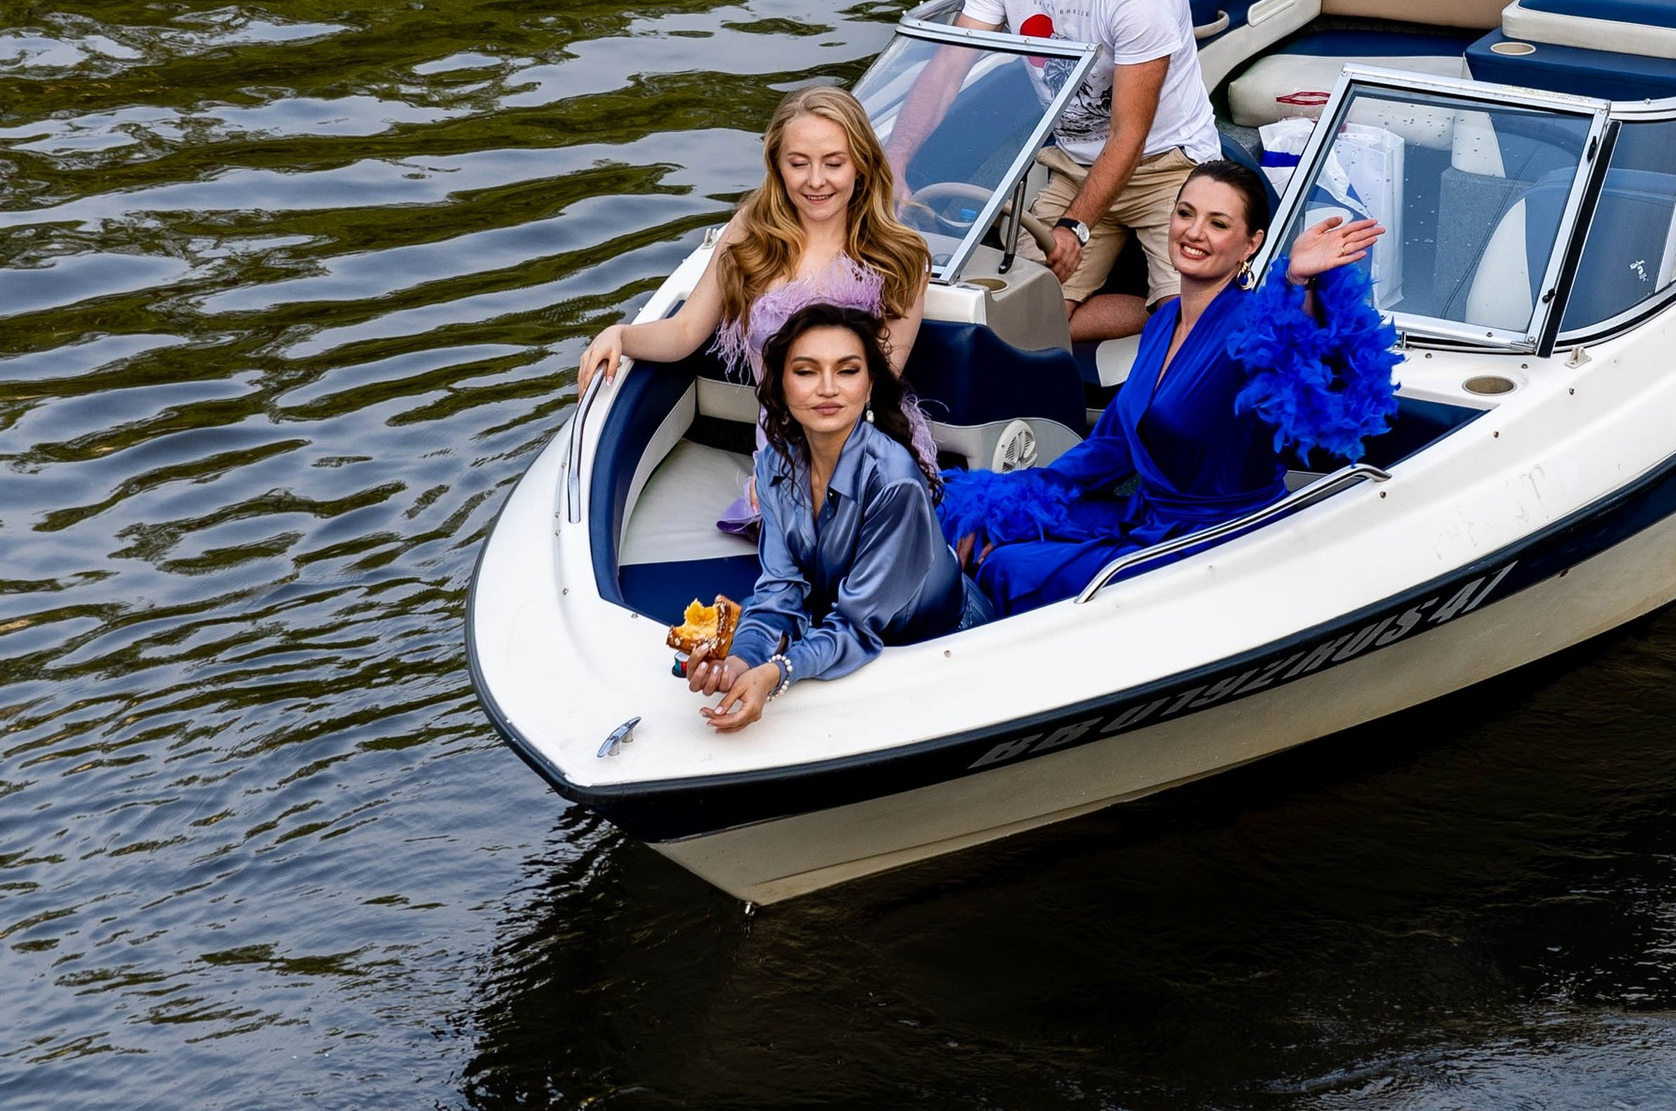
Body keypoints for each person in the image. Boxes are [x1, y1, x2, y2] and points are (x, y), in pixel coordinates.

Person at [941, 161, 1394, 616]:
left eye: (1218, 224)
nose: (1194, 232)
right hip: (1148, 519)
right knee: (987, 530)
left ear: (1251, 244)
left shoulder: (1255, 324)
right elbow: (1110, 448)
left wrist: (1298, 284)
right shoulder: (1161, 322)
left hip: (1217, 542)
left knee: (1007, 568)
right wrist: (1006, 501)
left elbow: (1304, 357)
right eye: (1185, 213)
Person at [574, 81, 934, 530]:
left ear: (861, 164)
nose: (816, 180)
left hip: (865, 442)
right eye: (798, 164)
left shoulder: (900, 255)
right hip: (779, 449)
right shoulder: (752, 233)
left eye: (834, 163)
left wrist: (816, 476)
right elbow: (686, 332)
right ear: (777, 166)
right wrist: (621, 335)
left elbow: (879, 383)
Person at [954, 0, 1222, 351]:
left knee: (1191, 325)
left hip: (1166, 164)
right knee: (1018, 319)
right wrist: (893, 162)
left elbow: (1131, 133)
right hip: (1074, 165)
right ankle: (1146, 303)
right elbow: (946, 67)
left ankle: (1191, 301)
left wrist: (1075, 228)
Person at [689, 304, 988, 736]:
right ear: (782, 388)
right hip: (842, 628)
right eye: (807, 372)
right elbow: (780, 592)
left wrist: (775, 674)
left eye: (846, 371)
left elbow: (858, 626)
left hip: (937, 641)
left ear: (868, 388)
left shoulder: (894, 480)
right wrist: (741, 660)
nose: (827, 388)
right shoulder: (775, 465)